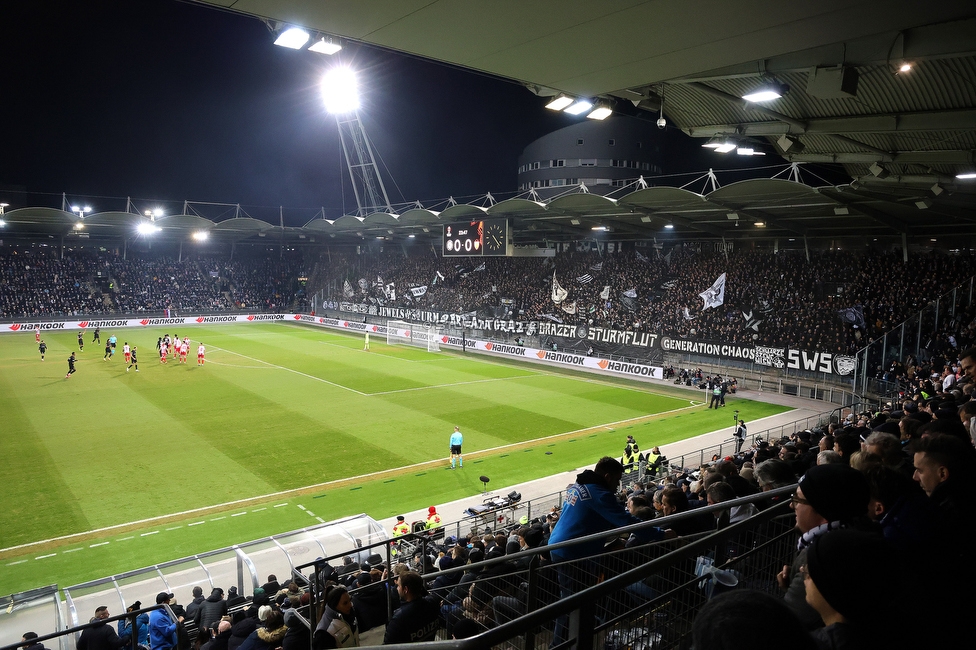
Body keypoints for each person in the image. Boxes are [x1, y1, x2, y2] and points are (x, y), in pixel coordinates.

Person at [547, 457, 673, 647]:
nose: (616, 485)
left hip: (563, 547)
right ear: (607, 477)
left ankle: (575, 641)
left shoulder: (579, 486)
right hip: (571, 552)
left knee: (575, 600)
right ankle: (560, 645)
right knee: (572, 603)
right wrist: (660, 534)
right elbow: (627, 521)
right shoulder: (600, 494)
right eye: (616, 480)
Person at [383, 571, 440, 644]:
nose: (397, 588)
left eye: (399, 586)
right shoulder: (433, 602)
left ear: (405, 589)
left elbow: (387, 645)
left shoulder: (398, 619)